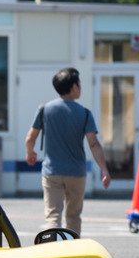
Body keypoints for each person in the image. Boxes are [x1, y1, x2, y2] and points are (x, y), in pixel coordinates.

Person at [25, 67, 111, 235]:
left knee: (53, 215)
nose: (80, 87)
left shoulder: (44, 109)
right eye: (79, 84)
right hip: (76, 173)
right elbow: (94, 144)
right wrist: (104, 169)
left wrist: (30, 153)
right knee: (73, 216)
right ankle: (72, 251)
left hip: (52, 172)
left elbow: (30, 137)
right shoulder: (85, 113)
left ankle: (50, 250)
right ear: (73, 87)